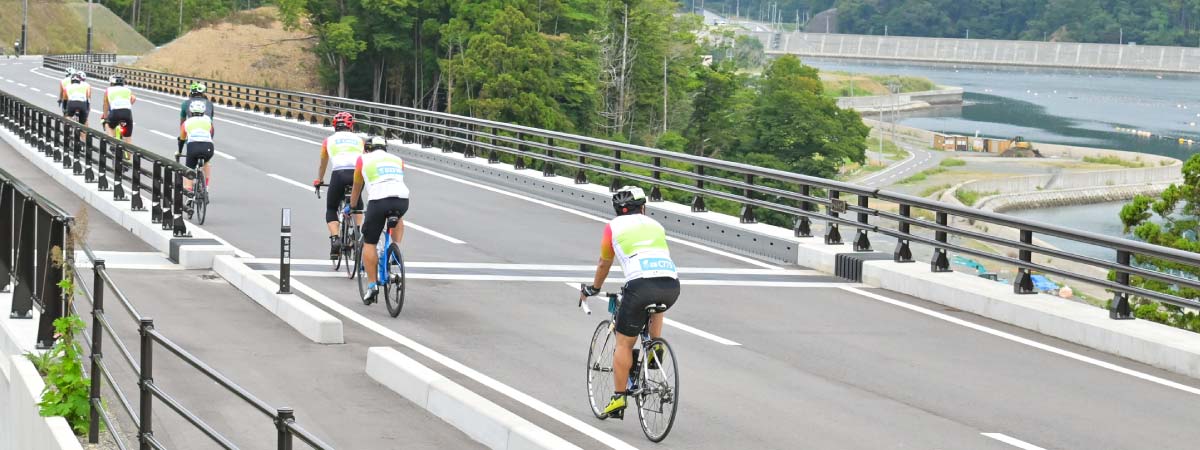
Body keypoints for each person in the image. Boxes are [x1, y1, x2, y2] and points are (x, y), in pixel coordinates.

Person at [579, 186, 680, 419]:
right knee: (657, 305)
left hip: (640, 286)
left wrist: (594, 288)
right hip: (671, 285)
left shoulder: (612, 228)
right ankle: (654, 349)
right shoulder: (656, 226)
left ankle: (618, 397)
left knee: (624, 344)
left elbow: (604, 262)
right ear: (643, 207)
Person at [350, 135, 409, 304]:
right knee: (397, 217)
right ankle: (394, 250)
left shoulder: (363, 160)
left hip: (378, 200)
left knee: (370, 242)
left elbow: (357, 187)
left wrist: (353, 205)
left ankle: (372, 285)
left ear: (367, 148)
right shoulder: (398, 160)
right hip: (402, 199)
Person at [313, 112, 365, 259]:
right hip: (357, 174)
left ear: (334, 126)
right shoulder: (359, 140)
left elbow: (323, 164)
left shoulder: (328, 141)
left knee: (331, 208)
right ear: (351, 126)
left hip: (339, 174)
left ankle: (335, 239)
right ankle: (358, 232)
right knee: (357, 204)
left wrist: (319, 180)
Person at [178, 101, 215, 196]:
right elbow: (211, 134)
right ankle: (206, 187)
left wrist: (179, 151)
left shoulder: (187, 122)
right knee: (206, 162)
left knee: (189, 168)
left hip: (193, 147)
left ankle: (189, 191)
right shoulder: (208, 120)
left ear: (191, 111)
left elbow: (182, 139)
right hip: (208, 147)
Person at [102, 74, 136, 143]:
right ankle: (129, 152)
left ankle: (112, 142)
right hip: (127, 113)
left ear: (112, 82)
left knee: (107, 124)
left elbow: (105, 104)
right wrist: (128, 105)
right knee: (128, 138)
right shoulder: (128, 90)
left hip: (115, 113)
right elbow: (133, 98)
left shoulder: (108, 90)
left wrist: (105, 117)